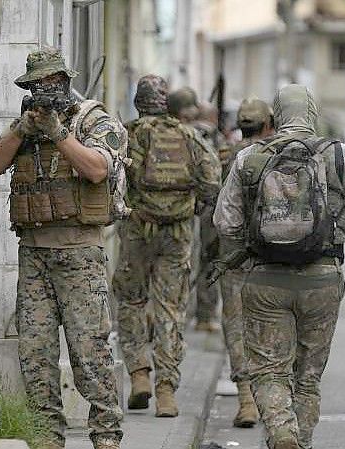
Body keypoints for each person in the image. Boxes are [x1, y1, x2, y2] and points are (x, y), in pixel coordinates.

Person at [0, 47, 126, 449]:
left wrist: (59, 133)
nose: (41, 92)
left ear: (64, 82)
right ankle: (46, 439)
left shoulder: (95, 121)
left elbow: (98, 169)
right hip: (35, 255)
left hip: (79, 255)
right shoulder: (26, 126)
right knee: (36, 357)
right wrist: (22, 131)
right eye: (33, 86)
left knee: (89, 355)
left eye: (47, 83)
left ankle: (107, 438)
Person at [213, 84, 345, 449]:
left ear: (277, 116)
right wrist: (327, 228)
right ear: (312, 113)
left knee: (270, 370)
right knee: (308, 377)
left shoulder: (249, 158)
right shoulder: (341, 157)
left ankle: (282, 434)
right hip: (322, 280)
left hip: (264, 280)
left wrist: (262, 234)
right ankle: (300, 440)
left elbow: (225, 222)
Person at [114, 75, 221, 417]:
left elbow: (108, 178)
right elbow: (211, 181)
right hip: (177, 233)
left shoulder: (126, 134)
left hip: (136, 230)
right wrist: (192, 208)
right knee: (170, 309)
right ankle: (166, 392)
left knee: (131, 301)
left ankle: (139, 374)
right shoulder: (189, 136)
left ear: (138, 103)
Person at [218, 97, 275, 429]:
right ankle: (273, 398)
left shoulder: (229, 156)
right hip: (274, 255)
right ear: (269, 123)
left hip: (235, 254)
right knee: (271, 325)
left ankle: (246, 400)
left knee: (237, 324)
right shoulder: (282, 154)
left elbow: (217, 208)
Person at [167, 88, 224, 332]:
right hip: (201, 206)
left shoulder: (157, 132)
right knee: (205, 259)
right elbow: (214, 173)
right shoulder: (204, 135)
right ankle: (203, 315)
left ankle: (175, 316)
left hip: (172, 211)